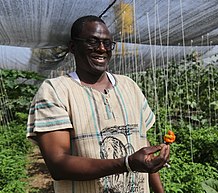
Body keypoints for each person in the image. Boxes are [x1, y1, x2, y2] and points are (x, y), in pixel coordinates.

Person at [26, 15, 170, 193]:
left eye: (107, 43)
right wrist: (127, 163)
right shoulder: (55, 91)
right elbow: (58, 165)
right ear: (73, 46)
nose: (101, 49)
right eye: (92, 42)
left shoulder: (129, 86)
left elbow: (142, 143)